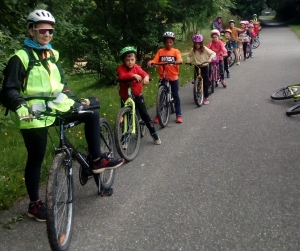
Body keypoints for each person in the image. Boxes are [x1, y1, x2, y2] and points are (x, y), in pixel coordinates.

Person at [0, 10, 124, 222]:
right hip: (33, 113)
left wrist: (75, 99)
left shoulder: (52, 55)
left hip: (58, 106)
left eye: (51, 30)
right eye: (42, 30)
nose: (47, 34)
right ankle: (35, 205)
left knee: (91, 113)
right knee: (36, 158)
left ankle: (96, 160)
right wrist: (19, 105)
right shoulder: (19, 58)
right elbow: (8, 90)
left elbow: (62, 86)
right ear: (32, 30)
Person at [117, 46, 161, 145]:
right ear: (123, 60)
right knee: (125, 117)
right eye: (127, 60)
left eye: (132, 59)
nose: (130, 62)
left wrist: (145, 77)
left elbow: (144, 73)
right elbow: (122, 76)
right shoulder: (121, 68)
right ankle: (125, 137)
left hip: (137, 95)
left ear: (135, 59)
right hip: (125, 97)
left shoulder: (137, 68)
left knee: (144, 115)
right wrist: (132, 75)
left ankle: (154, 133)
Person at [147, 31, 183, 123]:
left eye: (170, 42)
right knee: (161, 96)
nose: (168, 44)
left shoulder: (175, 51)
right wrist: (151, 62)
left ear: (173, 42)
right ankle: (159, 114)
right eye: (166, 42)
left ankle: (178, 114)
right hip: (163, 76)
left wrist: (178, 61)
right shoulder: (160, 51)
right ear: (164, 42)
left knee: (175, 96)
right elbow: (155, 60)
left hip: (173, 76)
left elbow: (179, 59)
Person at [186, 34, 216, 105]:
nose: (197, 45)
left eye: (198, 44)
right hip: (197, 66)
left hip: (204, 66)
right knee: (196, 82)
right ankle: (196, 96)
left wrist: (209, 59)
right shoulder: (193, 50)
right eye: (195, 44)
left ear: (201, 43)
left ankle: (206, 97)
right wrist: (188, 60)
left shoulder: (205, 49)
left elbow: (213, 53)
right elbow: (189, 56)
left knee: (205, 82)